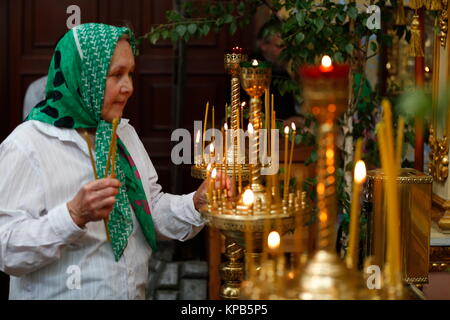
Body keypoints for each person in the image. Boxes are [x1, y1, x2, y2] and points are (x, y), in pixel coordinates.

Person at [0, 23, 229, 299]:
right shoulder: (27, 145)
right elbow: (7, 251)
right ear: (84, 76)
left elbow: (149, 209)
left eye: (130, 73)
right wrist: (73, 215)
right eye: (116, 75)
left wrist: (195, 204)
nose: (129, 87)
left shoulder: (122, 133)